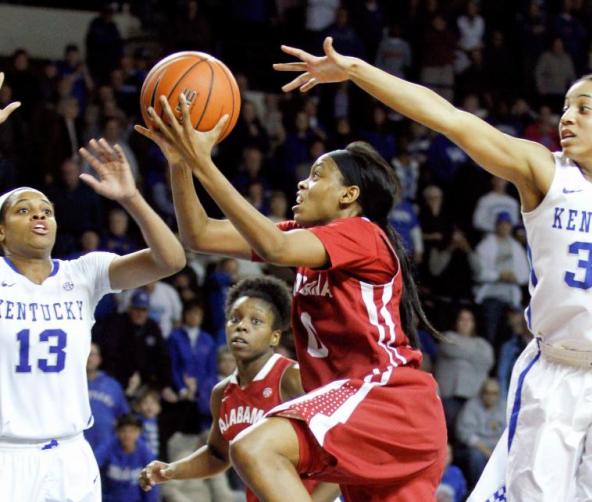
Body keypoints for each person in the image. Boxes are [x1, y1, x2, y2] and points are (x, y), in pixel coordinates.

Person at [271, 38, 592, 501]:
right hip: (556, 374)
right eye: (565, 106)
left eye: (583, 107)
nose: (566, 117)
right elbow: (447, 116)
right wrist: (358, 71)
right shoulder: (541, 171)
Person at [135, 96, 447, 501]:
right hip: (372, 418)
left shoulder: (364, 233)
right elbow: (200, 235)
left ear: (348, 196)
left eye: (318, 176)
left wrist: (204, 163)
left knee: (252, 447)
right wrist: (180, 163)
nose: (303, 182)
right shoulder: (306, 240)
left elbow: (274, 248)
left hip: (385, 399)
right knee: (253, 449)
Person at [0, 75, 185, 501]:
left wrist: (131, 198)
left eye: (46, 209)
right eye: (23, 210)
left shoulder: (82, 274)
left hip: (70, 454)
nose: (39, 215)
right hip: (8, 456)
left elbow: (170, 259)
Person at [139, 276, 339, 501]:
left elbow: (343, 446)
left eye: (256, 321)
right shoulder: (222, 392)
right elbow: (217, 456)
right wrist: (172, 470)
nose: (242, 326)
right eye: (235, 318)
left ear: (274, 337)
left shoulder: (292, 378)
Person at [95, 413, 157, 502]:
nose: (127, 435)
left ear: (139, 432)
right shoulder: (108, 446)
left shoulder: (146, 453)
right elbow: (94, 463)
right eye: (123, 431)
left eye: (132, 431)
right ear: (117, 432)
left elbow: (151, 487)